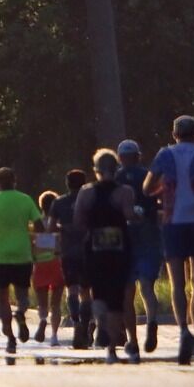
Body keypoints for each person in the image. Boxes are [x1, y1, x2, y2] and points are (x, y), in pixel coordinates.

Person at [144, 114, 194, 364]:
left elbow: (147, 188)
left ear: (175, 134)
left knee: (178, 283)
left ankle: (183, 331)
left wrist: (162, 191)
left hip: (173, 222)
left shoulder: (164, 155)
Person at [73, 151, 138, 362]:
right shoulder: (124, 192)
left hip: (95, 248)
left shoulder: (86, 192)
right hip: (119, 249)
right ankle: (111, 348)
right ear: (116, 168)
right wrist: (138, 214)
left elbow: (78, 221)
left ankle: (99, 319)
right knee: (117, 297)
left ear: (96, 170)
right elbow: (129, 215)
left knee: (98, 291)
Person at [0, 166, 41, 353]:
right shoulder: (25, 200)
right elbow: (40, 226)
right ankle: (21, 314)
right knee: (22, 296)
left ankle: (10, 338)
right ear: (15, 181)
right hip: (22, 254)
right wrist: (32, 240)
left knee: (3, 297)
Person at [115, 141, 165, 355]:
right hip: (149, 232)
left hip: (124, 236)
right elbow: (161, 199)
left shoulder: (115, 178)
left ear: (120, 157)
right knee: (147, 286)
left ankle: (132, 340)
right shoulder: (148, 175)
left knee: (127, 290)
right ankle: (152, 321)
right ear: (138, 155)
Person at [53, 168, 92, 349]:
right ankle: (85, 323)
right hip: (88, 250)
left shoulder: (59, 202)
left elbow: (51, 227)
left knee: (72, 289)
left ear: (67, 183)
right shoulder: (91, 201)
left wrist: (64, 227)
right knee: (86, 290)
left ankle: (76, 321)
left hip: (68, 251)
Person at [30, 193, 65, 344]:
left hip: (40, 265)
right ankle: (55, 336)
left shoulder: (35, 225)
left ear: (41, 206)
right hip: (56, 264)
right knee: (56, 304)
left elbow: (31, 245)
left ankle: (43, 319)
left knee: (42, 303)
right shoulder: (59, 225)